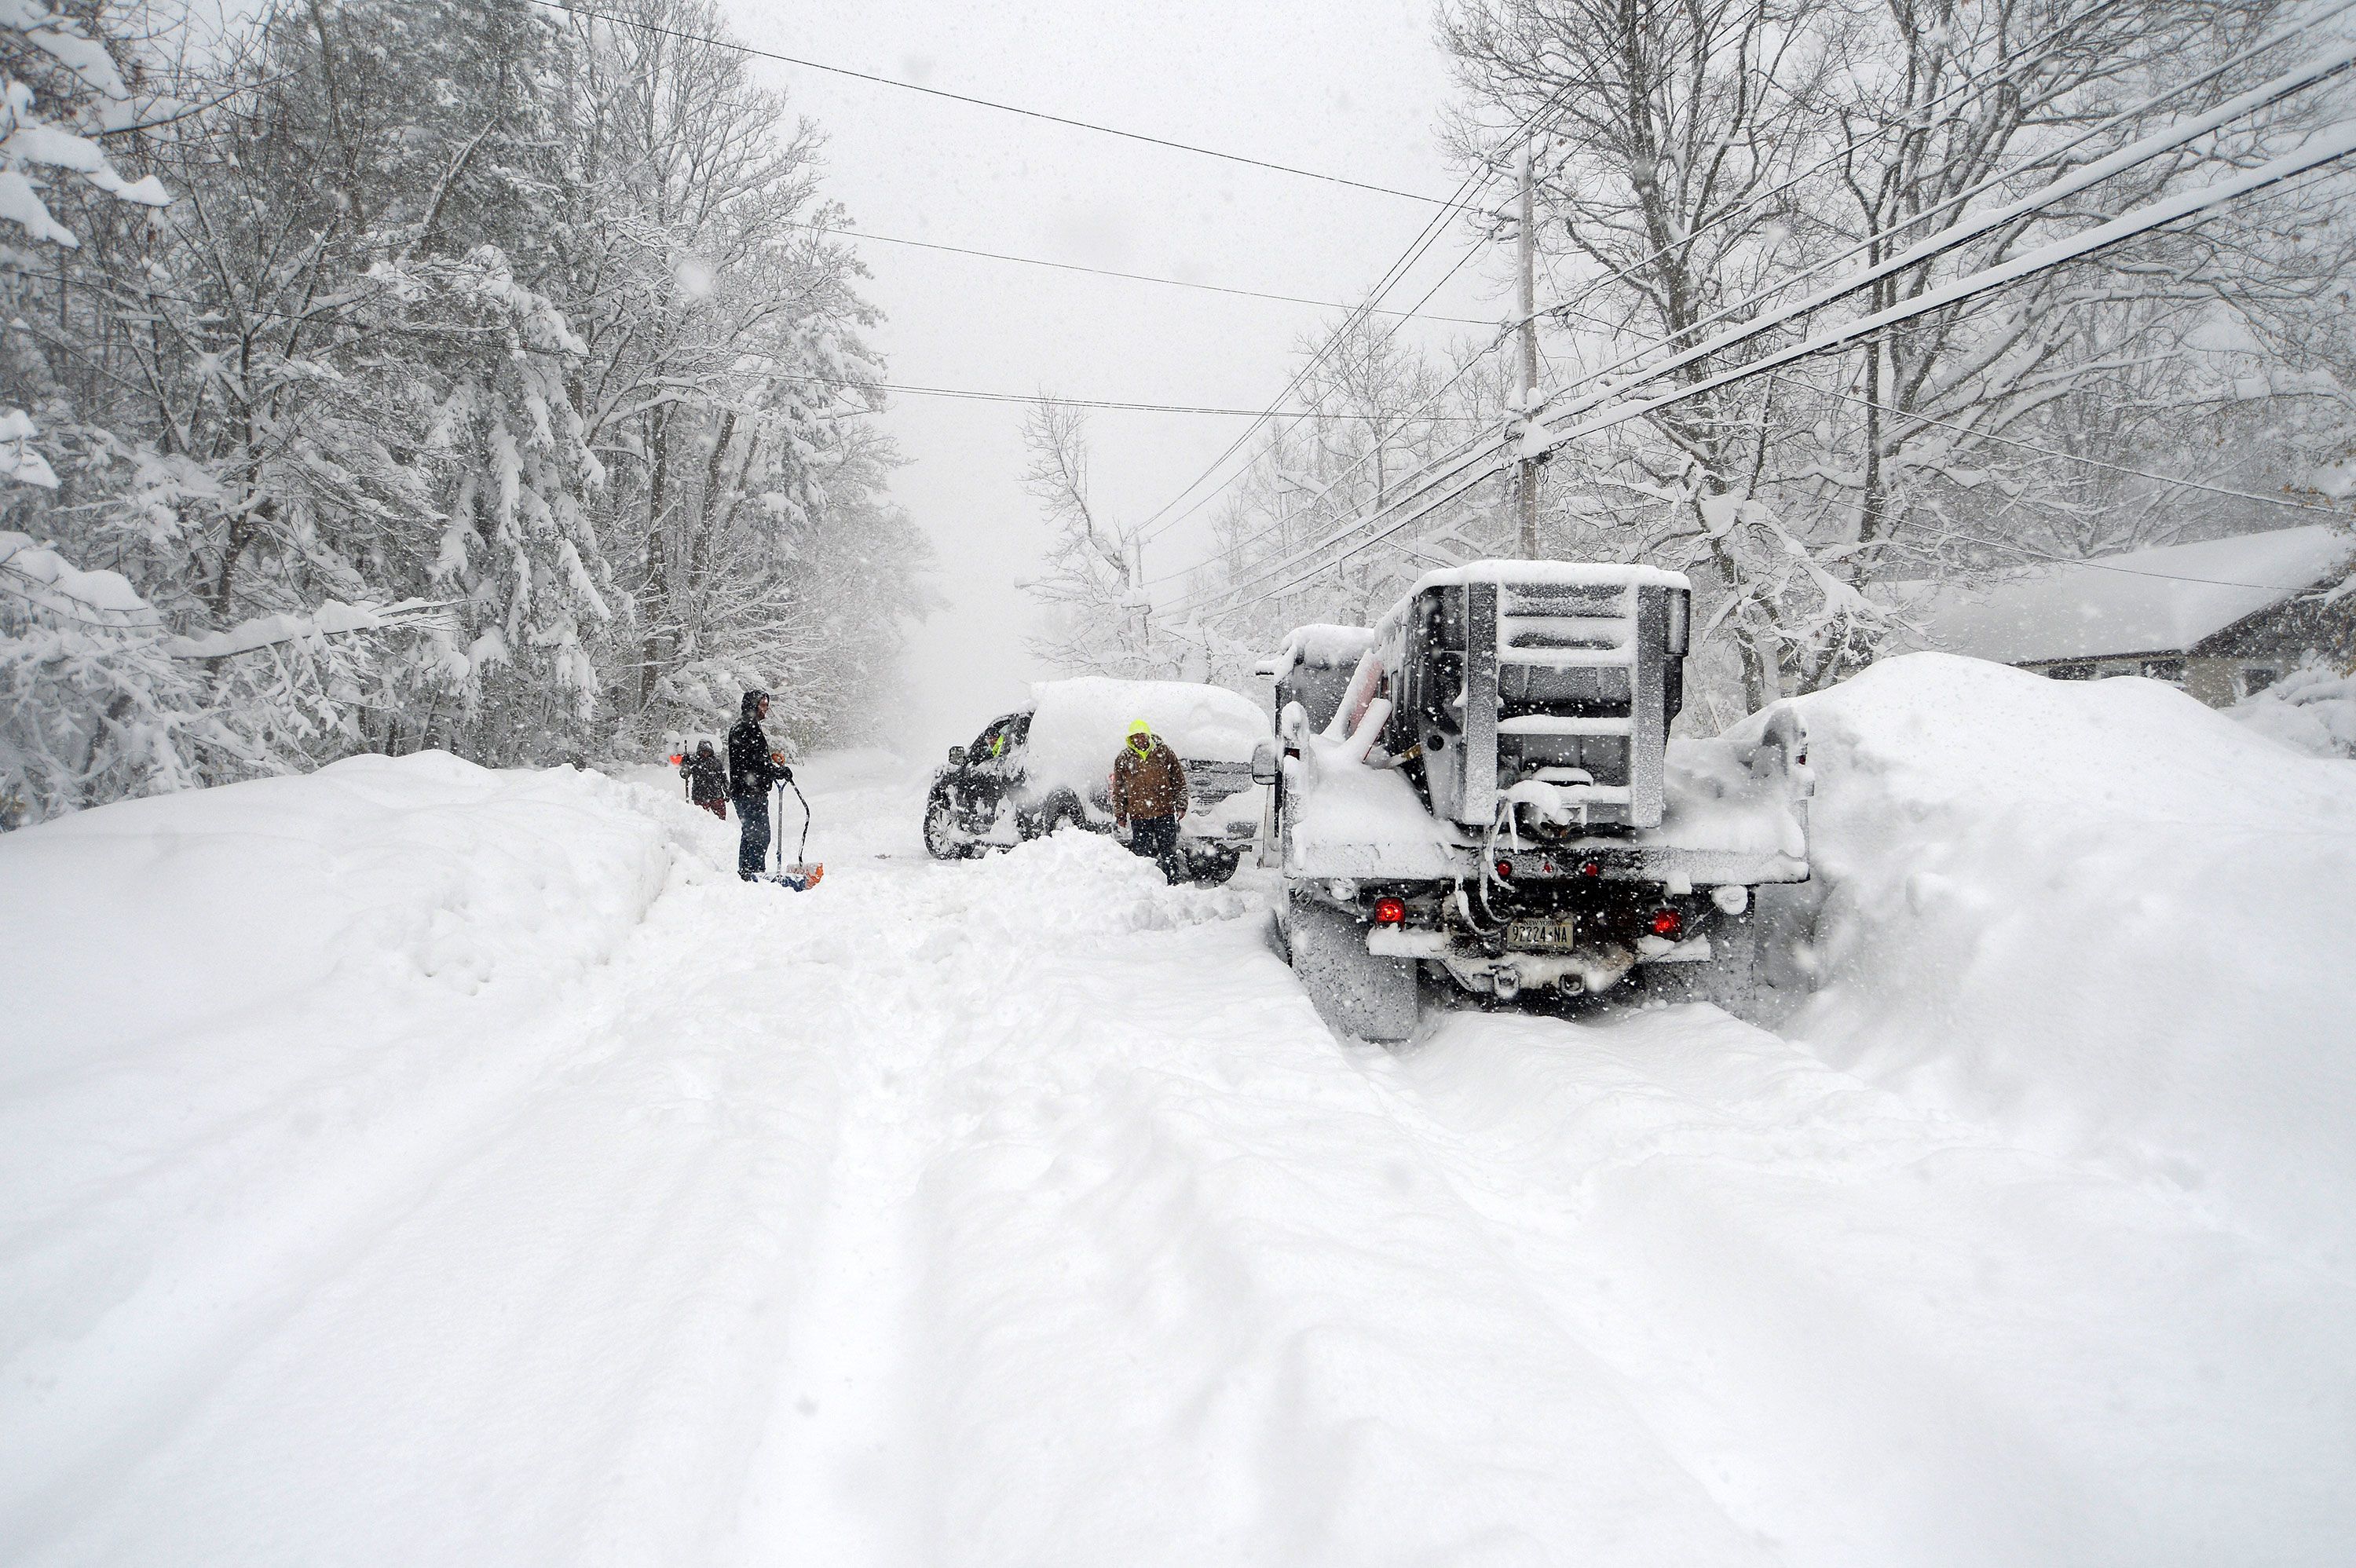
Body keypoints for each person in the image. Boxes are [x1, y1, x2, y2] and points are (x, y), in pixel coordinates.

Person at [727, 689, 795, 881]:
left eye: (766, 705)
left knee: (752, 834)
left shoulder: (747, 726)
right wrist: (775, 771)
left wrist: (770, 762)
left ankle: (749, 874)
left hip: (748, 790)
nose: (766, 709)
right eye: (763, 705)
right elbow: (753, 763)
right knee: (759, 835)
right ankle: (755, 876)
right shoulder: (746, 728)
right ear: (752, 705)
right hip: (748, 791)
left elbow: (755, 759)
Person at [1110, 718, 1188, 882]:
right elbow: (1119, 789)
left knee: (1168, 853)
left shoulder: (1164, 753)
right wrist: (1120, 813)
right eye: (1135, 737)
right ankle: (1145, 887)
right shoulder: (1123, 759)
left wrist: (1181, 805)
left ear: (1148, 736)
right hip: (1139, 816)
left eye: (1142, 735)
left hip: (1164, 813)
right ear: (1130, 739)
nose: (1139, 739)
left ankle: (1173, 886)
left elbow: (1178, 781)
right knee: (1142, 857)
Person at [679, 740, 728, 821]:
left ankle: (720, 832)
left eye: (707, 752)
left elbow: (723, 778)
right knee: (701, 819)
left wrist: (727, 791)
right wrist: (685, 764)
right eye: (703, 752)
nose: (705, 754)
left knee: (721, 820)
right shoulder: (694, 761)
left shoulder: (716, 762)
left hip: (716, 794)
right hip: (700, 795)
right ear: (699, 751)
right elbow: (684, 775)